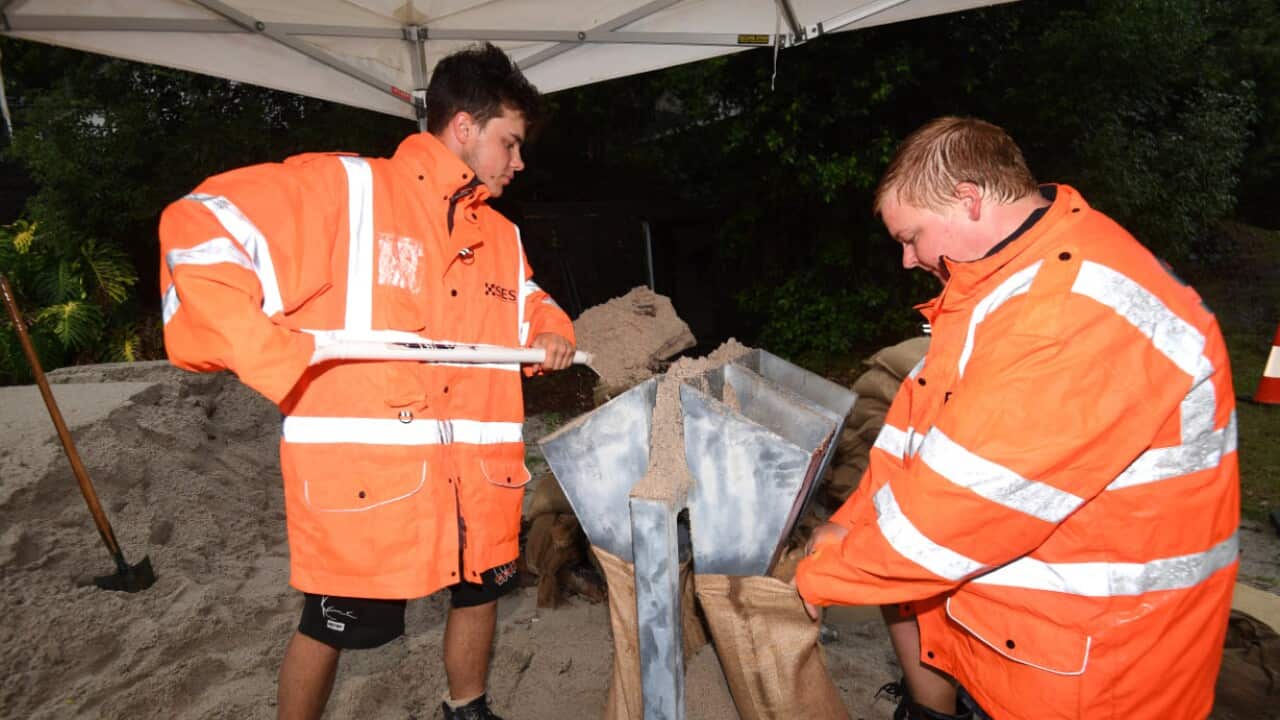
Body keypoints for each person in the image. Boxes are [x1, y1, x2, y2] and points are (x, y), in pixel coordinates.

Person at [158, 43, 575, 720]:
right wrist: (267, 351)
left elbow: (527, 299)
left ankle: (465, 708)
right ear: (463, 127)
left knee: (481, 594)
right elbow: (200, 228)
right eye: (511, 142)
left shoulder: (501, 234)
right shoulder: (347, 193)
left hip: (479, 478)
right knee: (329, 626)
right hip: (372, 489)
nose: (519, 162)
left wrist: (554, 327)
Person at [796, 116, 1239, 720]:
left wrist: (822, 574)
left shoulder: (1071, 309)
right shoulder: (1006, 287)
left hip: (1101, 672)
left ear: (968, 200)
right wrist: (850, 525)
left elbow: (964, 511)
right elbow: (918, 442)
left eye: (912, 236)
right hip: (1033, 645)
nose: (907, 260)